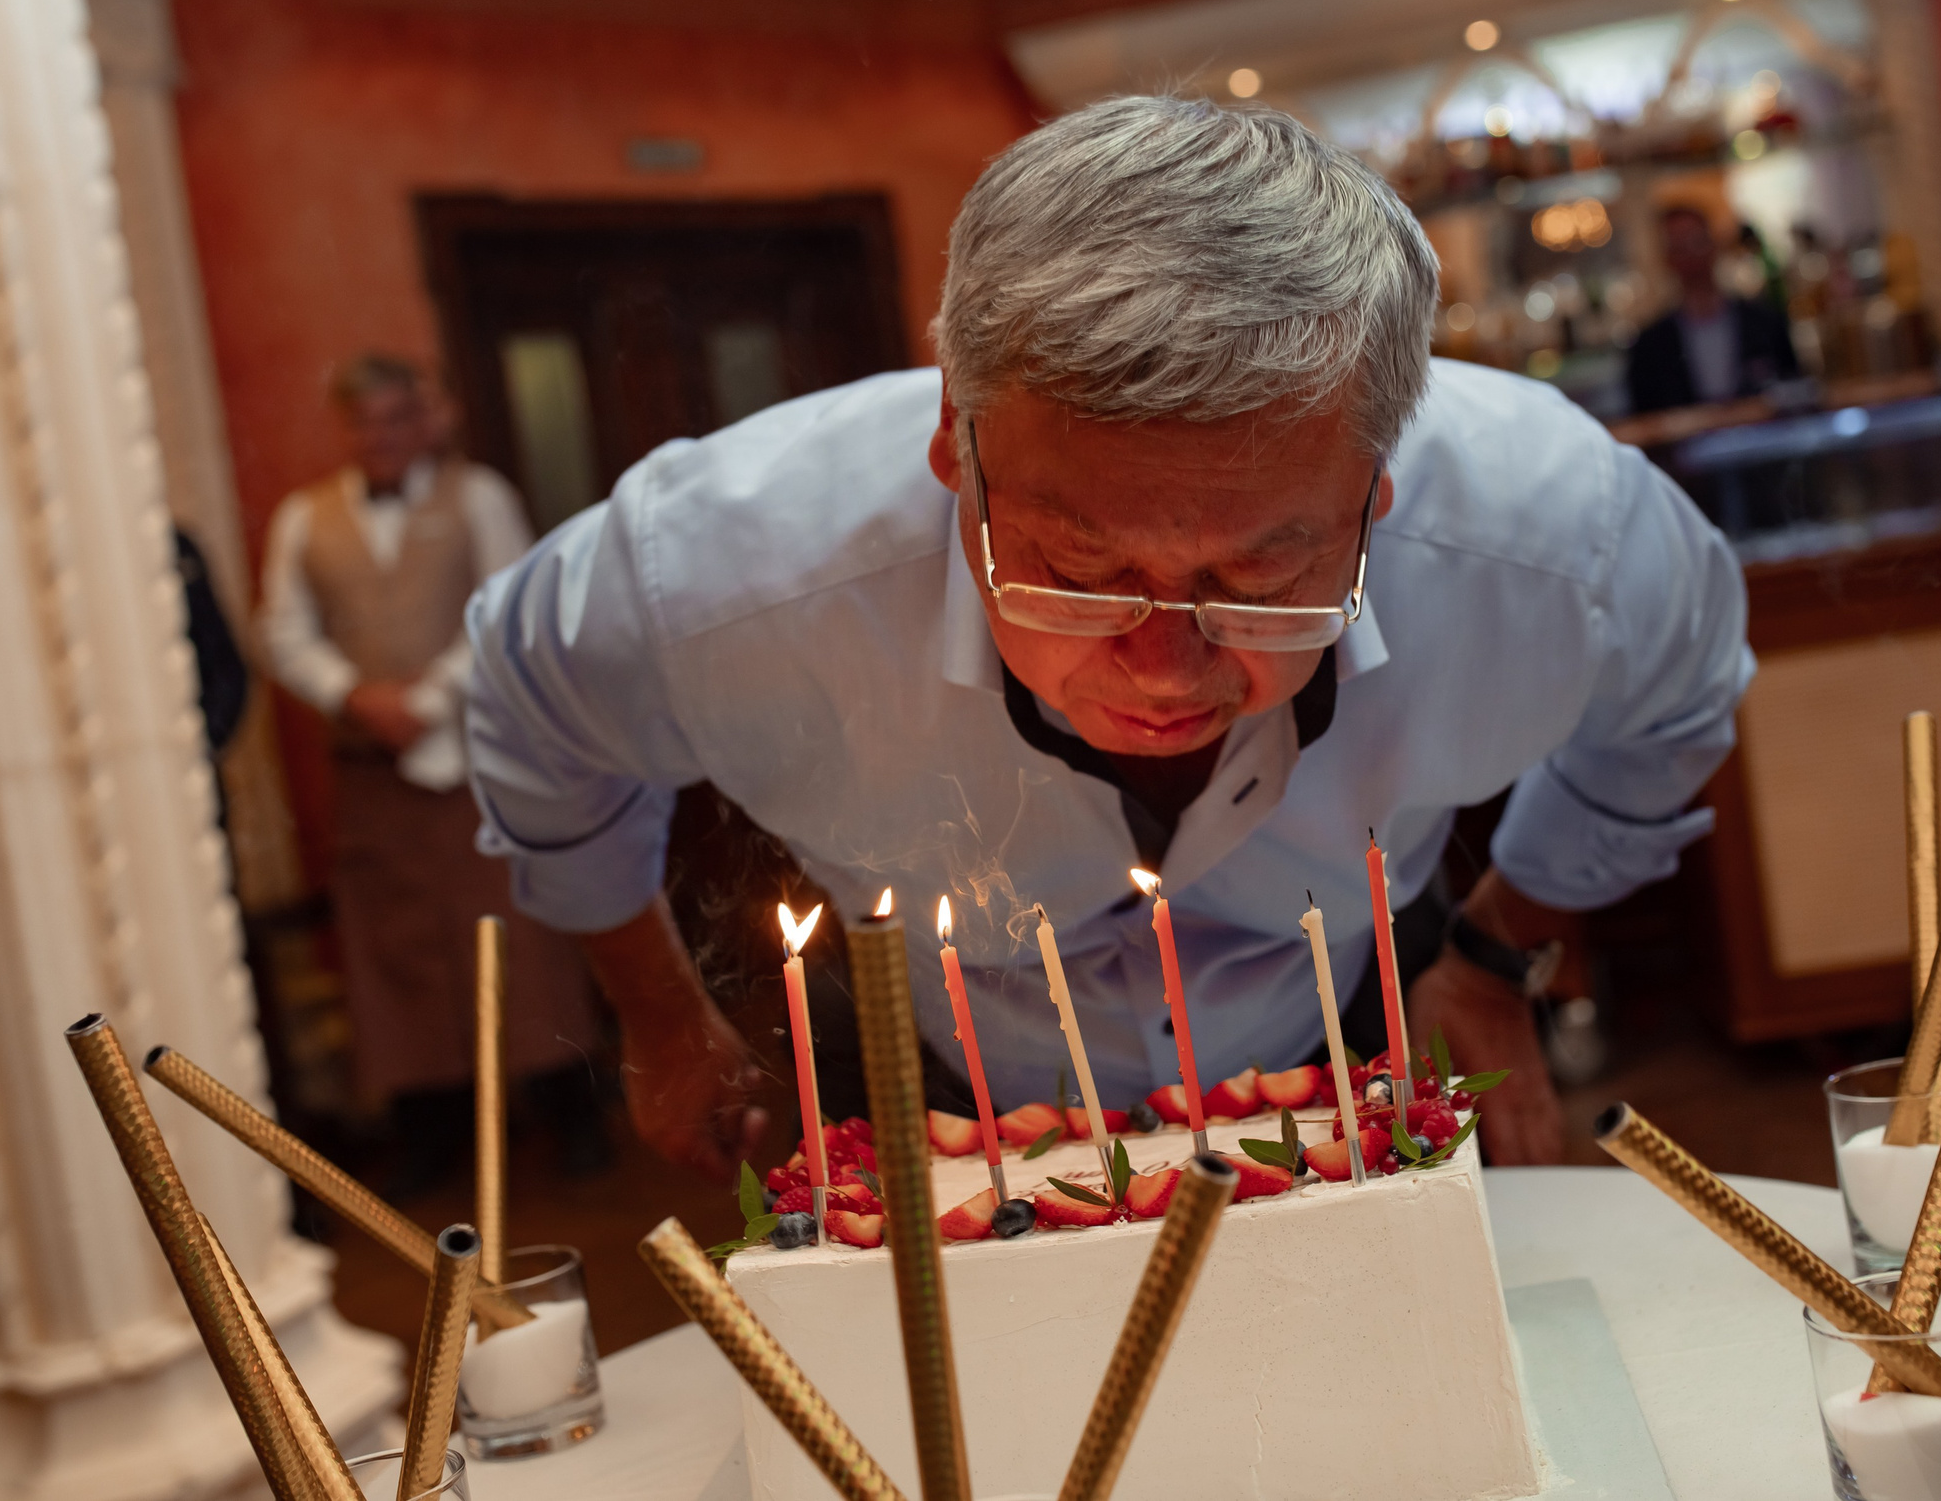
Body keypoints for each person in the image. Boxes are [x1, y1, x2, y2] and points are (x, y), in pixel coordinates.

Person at [466, 99, 1752, 1180]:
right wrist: (655, 1012)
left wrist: (1492, 951)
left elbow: (1679, 707)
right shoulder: (718, 571)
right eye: (1079, 572)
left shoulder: (1558, 538)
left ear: (1375, 494)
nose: (1163, 668)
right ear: (951, 455)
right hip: (941, 1049)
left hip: (1369, 994)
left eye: (1262, 576)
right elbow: (531, 718)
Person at [259, 355, 607, 1198]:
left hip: (476, 756)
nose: (378, 438)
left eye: (393, 420)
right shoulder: (304, 519)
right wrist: (353, 696)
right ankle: (431, 1126)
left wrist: (430, 697)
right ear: (344, 429)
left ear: (423, 421)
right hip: (369, 772)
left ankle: (571, 1113)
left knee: (515, 934)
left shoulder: (477, 495)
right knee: (397, 947)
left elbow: (507, 604)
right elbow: (281, 631)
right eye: (362, 424)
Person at [1625, 205, 1802, 414]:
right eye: (1679, 247)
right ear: (1667, 258)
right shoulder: (1650, 345)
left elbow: (1794, 391)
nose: (1691, 257)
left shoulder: (1765, 323)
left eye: (1696, 242)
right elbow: (1647, 417)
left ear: (1713, 246)